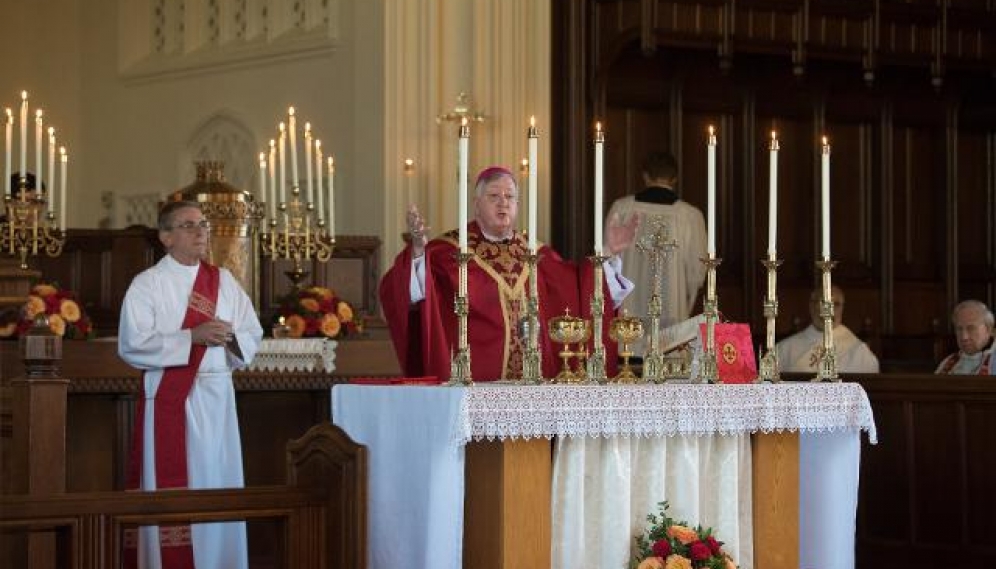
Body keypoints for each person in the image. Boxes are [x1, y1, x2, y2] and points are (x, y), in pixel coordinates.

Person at [379, 166, 638, 381]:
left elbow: (582, 290)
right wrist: (416, 252)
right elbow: (406, 294)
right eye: (494, 196)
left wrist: (608, 251)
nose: (503, 203)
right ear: (476, 204)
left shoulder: (537, 254)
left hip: (536, 385)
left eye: (510, 197)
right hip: (474, 385)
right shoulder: (448, 252)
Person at [118, 200, 263, 569]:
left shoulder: (224, 281)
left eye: (203, 224)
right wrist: (192, 337)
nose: (201, 232)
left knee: (218, 482)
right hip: (171, 398)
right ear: (165, 236)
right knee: (176, 490)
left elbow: (251, 331)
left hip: (217, 400)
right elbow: (133, 343)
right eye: (188, 225)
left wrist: (229, 337)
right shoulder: (147, 284)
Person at [605, 151, 706, 355]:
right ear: (675, 178)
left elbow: (607, 260)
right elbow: (697, 273)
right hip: (672, 316)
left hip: (629, 318)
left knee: (629, 364)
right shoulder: (690, 215)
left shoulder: (622, 208)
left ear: (644, 175)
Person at [775, 285, 880, 374]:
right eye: (824, 303)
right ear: (811, 306)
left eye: (836, 304)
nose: (830, 310)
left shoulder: (859, 351)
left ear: (842, 308)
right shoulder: (785, 349)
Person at [935, 300, 995, 375]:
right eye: (959, 329)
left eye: (971, 328)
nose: (964, 337)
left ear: (988, 329)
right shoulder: (948, 362)